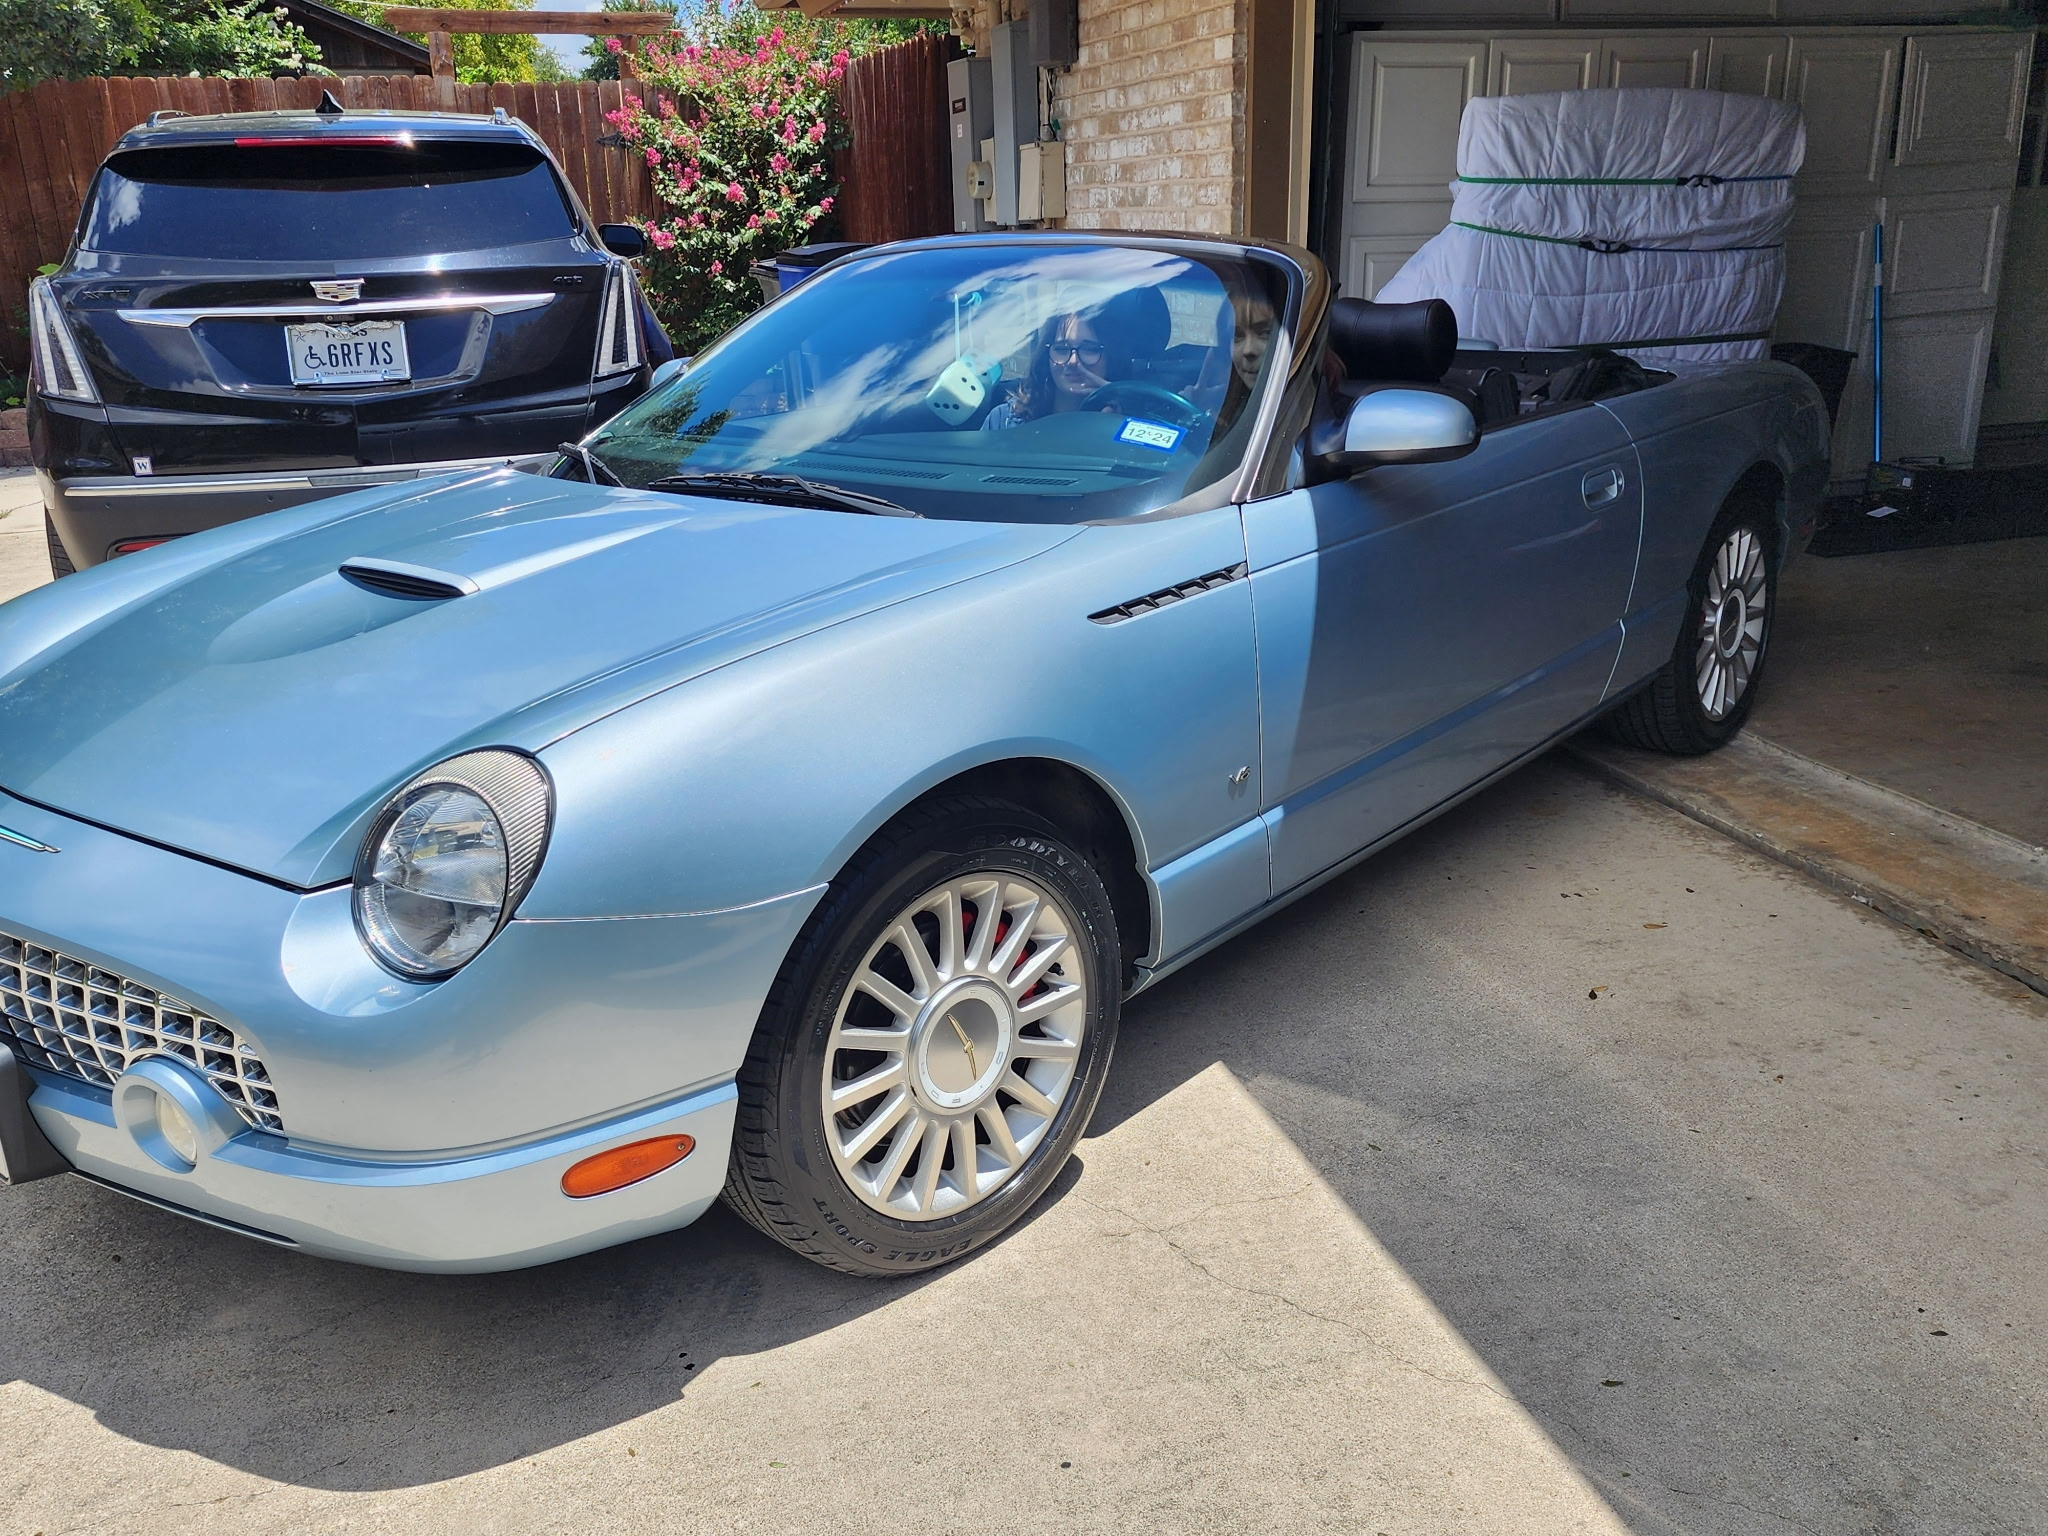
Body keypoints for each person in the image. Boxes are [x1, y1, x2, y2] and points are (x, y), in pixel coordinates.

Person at [983, 289, 1172, 430]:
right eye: (1062, 349)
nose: (1073, 361)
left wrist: (1121, 423)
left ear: (1112, 357)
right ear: (1046, 355)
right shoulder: (1005, 420)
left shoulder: (1133, 425)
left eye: (1090, 349)